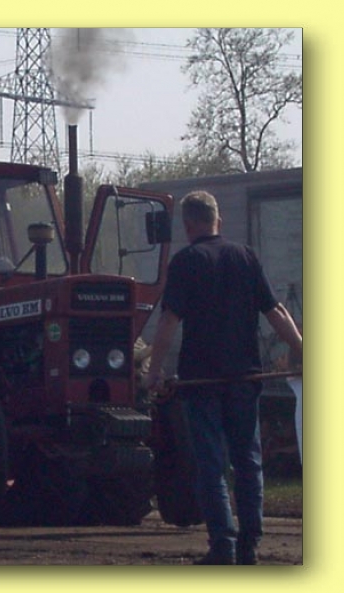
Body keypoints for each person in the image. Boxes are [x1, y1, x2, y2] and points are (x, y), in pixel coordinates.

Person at [144, 190, 302, 565]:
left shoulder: (186, 262)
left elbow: (169, 321)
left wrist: (154, 371)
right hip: (245, 379)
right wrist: (303, 348)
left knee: (212, 465)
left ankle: (223, 546)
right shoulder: (245, 256)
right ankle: (250, 546)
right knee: (248, 462)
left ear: (188, 226)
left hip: (202, 382)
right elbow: (275, 311)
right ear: (219, 220)